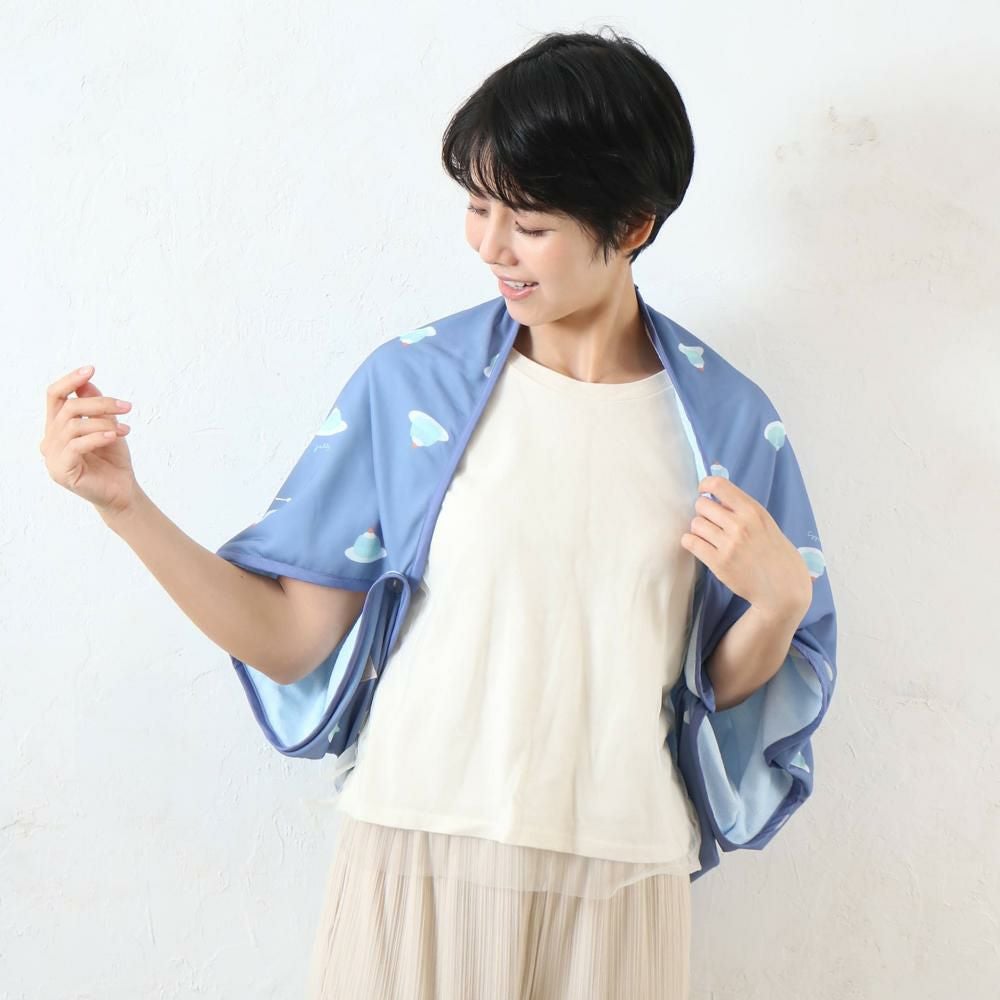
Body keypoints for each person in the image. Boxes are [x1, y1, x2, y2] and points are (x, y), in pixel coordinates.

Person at [41, 27, 822, 1000]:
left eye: (527, 221)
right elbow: (291, 638)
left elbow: (707, 689)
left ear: (631, 225)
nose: (490, 247)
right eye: (477, 205)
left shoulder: (724, 425)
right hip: (416, 856)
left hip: (620, 878)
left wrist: (780, 603)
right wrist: (126, 508)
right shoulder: (414, 388)